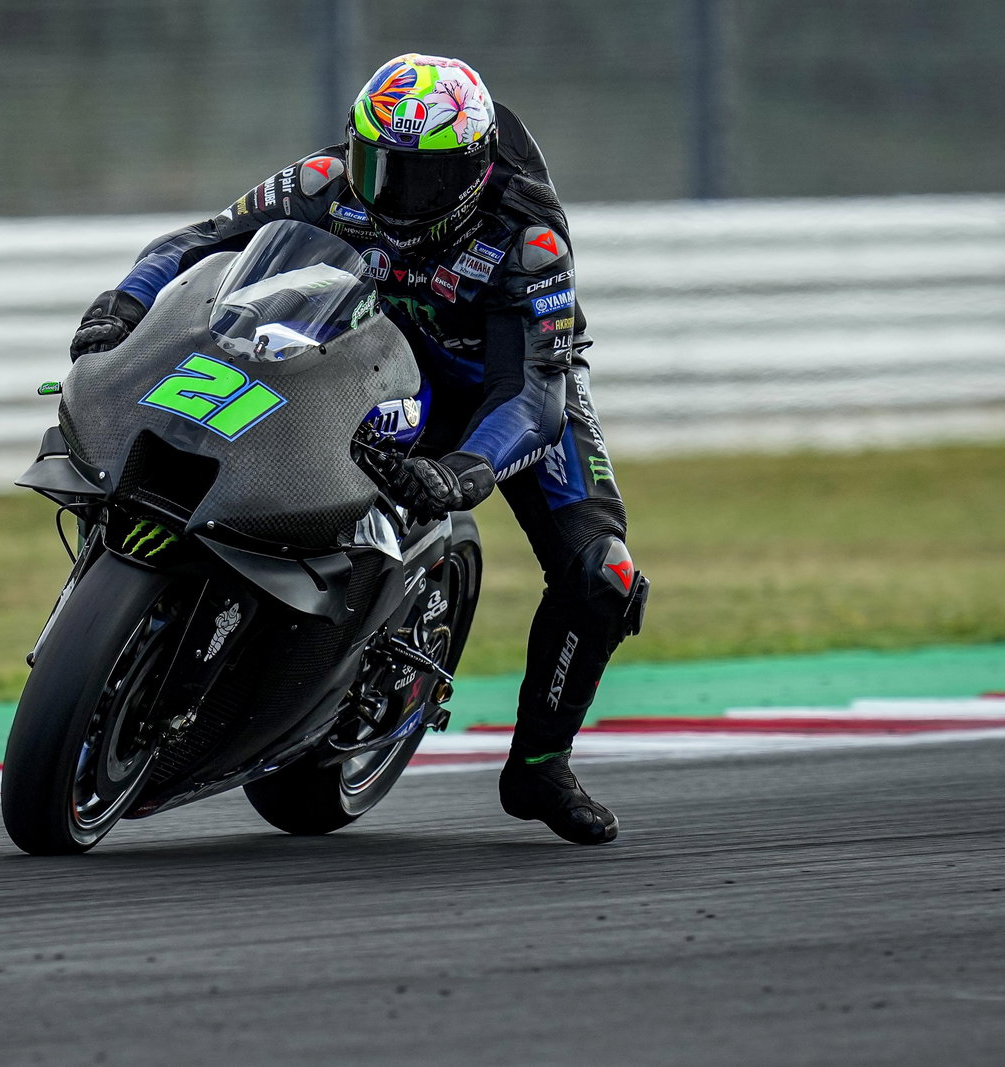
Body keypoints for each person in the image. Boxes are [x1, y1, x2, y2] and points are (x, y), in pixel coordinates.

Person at [67, 53, 648, 845]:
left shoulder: (528, 240)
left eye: (423, 178)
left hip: (500, 386)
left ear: (473, 173)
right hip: (370, 352)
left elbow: (533, 398)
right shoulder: (320, 181)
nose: (396, 195)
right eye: (380, 165)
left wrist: (462, 471)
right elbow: (198, 242)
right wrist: (124, 305)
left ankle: (541, 765)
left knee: (602, 573)